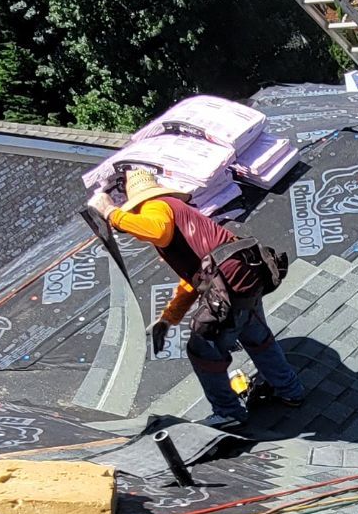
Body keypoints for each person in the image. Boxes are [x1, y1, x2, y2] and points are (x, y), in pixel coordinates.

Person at [107, 169, 302, 429]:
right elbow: (194, 279)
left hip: (228, 284)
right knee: (254, 332)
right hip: (246, 273)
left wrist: (111, 214)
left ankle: (228, 412)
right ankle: (290, 389)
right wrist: (169, 318)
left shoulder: (155, 207)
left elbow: (157, 231)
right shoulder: (177, 209)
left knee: (202, 349)